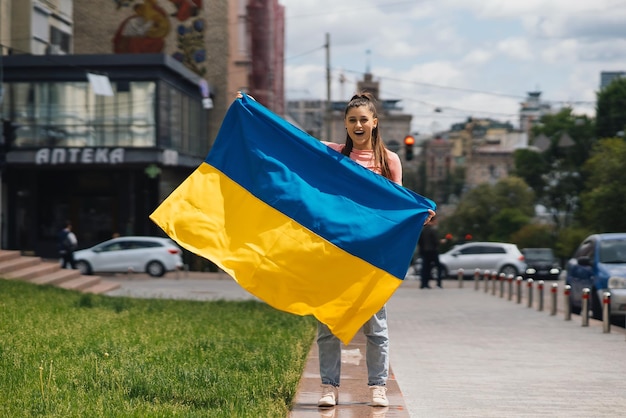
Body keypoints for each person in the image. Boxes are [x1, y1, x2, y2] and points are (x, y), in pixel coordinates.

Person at [235, 91, 435, 409]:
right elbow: (292, 142)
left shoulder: (389, 160)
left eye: (363, 119)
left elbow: (399, 205)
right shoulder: (333, 154)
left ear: (374, 122)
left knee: (376, 327)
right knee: (328, 325)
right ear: (345, 123)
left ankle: (377, 387)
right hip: (334, 252)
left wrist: (418, 216)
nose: (358, 125)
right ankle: (329, 387)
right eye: (352, 120)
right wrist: (254, 111)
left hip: (371, 258)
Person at [418, 216, 442, 288]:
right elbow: (435, 241)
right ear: (433, 221)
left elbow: (420, 241)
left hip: (424, 251)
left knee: (425, 268)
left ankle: (424, 284)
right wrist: (440, 242)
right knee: (439, 267)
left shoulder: (423, 230)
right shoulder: (432, 230)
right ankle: (438, 283)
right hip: (433, 251)